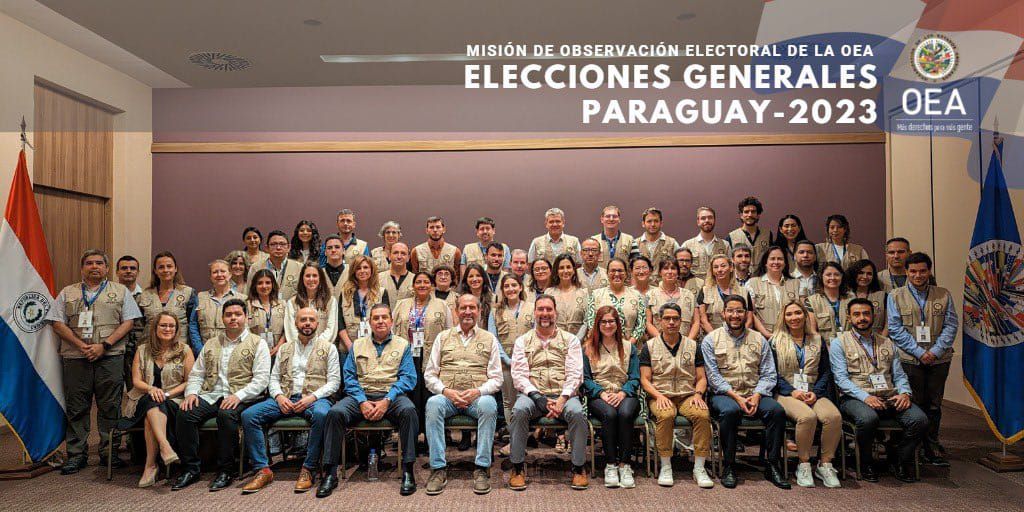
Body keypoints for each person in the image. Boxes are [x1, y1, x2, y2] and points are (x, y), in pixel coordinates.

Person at [49, 249, 141, 475]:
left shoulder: (120, 291)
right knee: (77, 406)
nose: (94, 267)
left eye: (99, 263)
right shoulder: (68, 292)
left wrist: (104, 345)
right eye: (89, 263)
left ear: (107, 268)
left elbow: (128, 322)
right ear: (82, 268)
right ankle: (76, 454)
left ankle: (109, 453)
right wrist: (81, 345)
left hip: (110, 356)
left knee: (110, 406)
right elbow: (57, 322)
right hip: (75, 357)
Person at [318, 303, 419, 498]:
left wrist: (387, 400)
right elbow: (349, 378)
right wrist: (362, 401)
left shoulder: (403, 345)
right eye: (376, 318)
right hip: (361, 395)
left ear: (391, 321)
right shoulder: (357, 345)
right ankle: (330, 473)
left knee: (409, 411)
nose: (380, 321)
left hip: (392, 395)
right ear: (369, 322)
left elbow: (408, 378)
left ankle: (408, 470)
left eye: (384, 317)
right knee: (335, 413)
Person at [172, 299, 270, 491]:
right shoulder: (211, 343)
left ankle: (226, 470)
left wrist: (239, 396)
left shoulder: (258, 343)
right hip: (212, 394)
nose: (233, 318)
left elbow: (261, 380)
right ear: (222, 318)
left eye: (238, 314)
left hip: (243, 396)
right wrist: (191, 393)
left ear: (246, 318)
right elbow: (197, 374)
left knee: (226, 415)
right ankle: (191, 469)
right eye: (228, 315)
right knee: (185, 413)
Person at [240, 307, 340, 494]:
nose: (307, 323)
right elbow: (273, 379)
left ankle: (309, 468)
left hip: (315, 398)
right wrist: (279, 397)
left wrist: (312, 397)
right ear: (295, 323)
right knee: (249, 415)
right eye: (303, 319)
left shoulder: (329, 348)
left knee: (322, 414)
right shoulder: (285, 348)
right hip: (286, 396)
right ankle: (263, 470)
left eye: (311, 320)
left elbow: (334, 382)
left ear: (318, 323)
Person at [831, 298, 928, 483]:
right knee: (868, 419)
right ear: (849, 317)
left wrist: (905, 393)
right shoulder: (839, 343)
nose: (862, 318)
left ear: (873, 316)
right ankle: (866, 462)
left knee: (919, 420)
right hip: (855, 398)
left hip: (889, 396)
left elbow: (899, 375)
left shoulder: (887, 343)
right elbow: (841, 380)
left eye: (866, 314)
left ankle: (898, 459)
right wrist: (866, 397)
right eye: (857, 314)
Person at [702, 295, 790, 489]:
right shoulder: (711, 340)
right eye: (730, 311)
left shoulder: (759, 339)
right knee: (730, 411)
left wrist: (757, 395)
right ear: (723, 313)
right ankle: (729, 465)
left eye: (739, 311)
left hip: (755, 392)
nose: (735, 315)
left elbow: (769, 374)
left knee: (776, 411)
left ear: (746, 314)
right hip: (725, 395)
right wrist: (737, 398)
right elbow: (713, 377)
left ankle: (772, 464)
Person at [423, 295, 504, 495]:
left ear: (479, 311)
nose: (468, 312)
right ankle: (438, 468)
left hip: (477, 398)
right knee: (432, 404)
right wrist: (446, 392)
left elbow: (497, 378)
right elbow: (430, 375)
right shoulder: (443, 337)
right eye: (463, 308)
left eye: (472, 308)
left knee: (489, 405)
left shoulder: (489, 339)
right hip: (448, 398)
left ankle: (482, 467)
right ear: (456, 311)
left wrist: (478, 391)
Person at [507, 295, 589, 490]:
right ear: (534, 313)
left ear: (555, 313)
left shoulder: (570, 340)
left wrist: (562, 399)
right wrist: (538, 397)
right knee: (518, 411)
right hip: (532, 395)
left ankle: (578, 467)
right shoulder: (522, 341)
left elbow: (575, 374)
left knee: (578, 413)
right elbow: (519, 375)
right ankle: (517, 467)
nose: (545, 313)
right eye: (541, 309)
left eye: (549, 309)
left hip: (564, 395)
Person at [886, 252, 958, 467]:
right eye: (913, 271)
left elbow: (951, 325)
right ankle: (910, 447)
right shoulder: (895, 295)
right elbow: (895, 329)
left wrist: (934, 352)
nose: (918, 275)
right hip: (909, 359)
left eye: (922, 271)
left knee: (934, 405)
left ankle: (931, 446)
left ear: (929, 271)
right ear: (907, 272)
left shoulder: (943, 294)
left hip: (939, 359)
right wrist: (919, 352)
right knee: (912, 403)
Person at [640, 303, 713, 489]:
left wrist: (698, 394)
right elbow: (645, 380)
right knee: (665, 415)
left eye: (675, 319)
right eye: (667, 318)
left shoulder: (693, 346)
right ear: (660, 321)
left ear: (681, 321)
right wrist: (658, 396)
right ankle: (666, 465)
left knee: (702, 415)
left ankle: (699, 467)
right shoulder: (649, 346)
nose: (671, 322)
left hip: (687, 395)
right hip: (660, 395)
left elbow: (701, 378)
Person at [769, 301, 842, 488]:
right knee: (807, 417)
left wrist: (815, 393)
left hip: (812, 391)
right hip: (785, 393)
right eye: (789, 314)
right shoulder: (775, 341)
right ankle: (803, 463)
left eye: (798, 313)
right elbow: (772, 373)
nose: (794, 318)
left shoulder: (817, 340)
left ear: (805, 316)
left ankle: (825, 464)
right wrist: (792, 391)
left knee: (833, 417)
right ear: (783, 318)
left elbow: (825, 372)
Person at [120, 312, 194, 487]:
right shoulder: (142, 350)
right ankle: (164, 446)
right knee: (151, 401)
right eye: (163, 325)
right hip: (142, 398)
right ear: (155, 328)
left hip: (173, 400)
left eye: (171, 326)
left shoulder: (185, 350)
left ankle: (151, 465)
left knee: (153, 409)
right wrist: (151, 389)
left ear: (176, 329)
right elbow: (136, 381)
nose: (167, 329)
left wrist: (166, 394)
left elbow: (189, 381)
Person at [393, 271, 454, 447]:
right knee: (410, 395)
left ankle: (430, 440)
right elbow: (393, 330)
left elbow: (449, 333)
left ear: (432, 285)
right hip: (407, 356)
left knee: (429, 396)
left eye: (426, 282)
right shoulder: (402, 304)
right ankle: (410, 439)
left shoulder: (442, 305)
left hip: (431, 357)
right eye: (418, 282)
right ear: (413, 286)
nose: (422, 285)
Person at [583, 306, 641, 489]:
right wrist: (601, 393)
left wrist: (622, 393)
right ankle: (610, 465)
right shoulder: (588, 348)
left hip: (625, 393)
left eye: (611, 321)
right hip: (600, 395)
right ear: (597, 324)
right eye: (604, 322)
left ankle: (625, 465)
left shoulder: (629, 347)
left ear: (617, 324)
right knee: (610, 414)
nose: (608, 325)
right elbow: (585, 379)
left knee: (625, 413)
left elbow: (635, 377)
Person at [490, 274, 535, 424]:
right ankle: (512, 435)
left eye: (514, 285)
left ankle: (525, 434)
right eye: (506, 286)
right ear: (502, 290)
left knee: (527, 399)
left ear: (520, 287)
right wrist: (507, 360)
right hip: (505, 364)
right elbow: (493, 338)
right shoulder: (495, 311)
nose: (511, 289)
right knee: (508, 401)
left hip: (529, 363)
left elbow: (537, 334)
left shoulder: (532, 308)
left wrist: (524, 360)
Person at [136, 251, 196, 346]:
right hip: (150, 347)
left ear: (175, 269)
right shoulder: (144, 295)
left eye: (169, 266)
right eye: (161, 267)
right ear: (155, 271)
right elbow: (139, 326)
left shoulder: (188, 293)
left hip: (179, 347)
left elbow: (193, 325)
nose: (165, 270)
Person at [189, 259, 247, 355]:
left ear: (230, 274)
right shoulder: (201, 297)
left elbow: (246, 327)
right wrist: (200, 349)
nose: (219, 275)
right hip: (205, 350)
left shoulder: (242, 299)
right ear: (210, 276)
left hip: (232, 351)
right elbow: (193, 325)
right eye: (215, 272)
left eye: (223, 271)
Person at [584, 258, 647, 344]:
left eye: (620, 271)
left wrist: (629, 345)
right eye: (613, 271)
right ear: (607, 273)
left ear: (626, 273)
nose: (617, 274)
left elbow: (641, 324)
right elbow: (591, 323)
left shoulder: (636, 295)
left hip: (632, 346)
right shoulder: (596, 295)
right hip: (603, 346)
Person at [746, 246, 802, 338]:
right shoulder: (752, 283)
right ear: (765, 262)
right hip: (762, 337)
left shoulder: (796, 283)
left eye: (780, 259)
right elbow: (751, 313)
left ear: (785, 263)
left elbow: (802, 312)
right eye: (772, 259)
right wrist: (766, 334)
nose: (776, 262)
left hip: (790, 336)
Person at [284, 262, 339, 348]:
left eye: (314, 276)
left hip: (322, 350)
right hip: (298, 349)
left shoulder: (330, 301)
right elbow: (291, 330)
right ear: (302, 278)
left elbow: (331, 329)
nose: (311, 279)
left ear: (320, 278)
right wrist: (303, 346)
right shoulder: (292, 302)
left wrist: (315, 347)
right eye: (307, 276)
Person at [337, 255, 383, 355]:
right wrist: (350, 346)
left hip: (375, 347)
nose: (362, 271)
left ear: (372, 270)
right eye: (358, 268)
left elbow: (385, 322)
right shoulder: (345, 293)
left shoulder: (382, 293)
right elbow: (340, 322)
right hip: (348, 348)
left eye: (365, 267)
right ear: (354, 271)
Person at [646, 260, 699, 341]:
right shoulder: (650, 295)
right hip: (658, 342)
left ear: (678, 272)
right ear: (660, 272)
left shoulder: (689, 295)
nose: (670, 272)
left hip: (686, 343)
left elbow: (696, 322)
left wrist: (688, 342)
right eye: (666, 268)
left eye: (673, 268)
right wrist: (662, 342)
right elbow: (648, 323)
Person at [697, 255, 750, 334]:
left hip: (739, 336)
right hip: (712, 336)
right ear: (712, 271)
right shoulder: (705, 291)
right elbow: (703, 320)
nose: (719, 270)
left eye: (723, 266)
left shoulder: (743, 291)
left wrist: (739, 336)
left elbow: (749, 319)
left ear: (731, 268)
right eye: (715, 267)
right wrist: (715, 338)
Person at [247, 230, 302, 300]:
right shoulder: (256, 267)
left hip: (291, 306)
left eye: (282, 244)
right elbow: (250, 294)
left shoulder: (299, 268)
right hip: (263, 306)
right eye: (273, 244)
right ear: (267, 248)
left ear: (289, 247)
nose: (278, 247)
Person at [805, 262, 852, 343]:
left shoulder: (851, 299)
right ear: (821, 277)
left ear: (842, 276)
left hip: (850, 344)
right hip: (825, 345)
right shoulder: (811, 301)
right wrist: (824, 347)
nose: (833, 278)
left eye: (836, 274)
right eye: (828, 275)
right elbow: (812, 331)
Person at [630, 207, 679, 283]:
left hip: (664, 287)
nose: (653, 224)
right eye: (649, 221)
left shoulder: (672, 243)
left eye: (656, 221)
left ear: (661, 223)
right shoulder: (635, 244)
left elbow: (678, 267)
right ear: (643, 224)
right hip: (641, 287)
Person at [546, 253, 589, 338]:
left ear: (574, 270)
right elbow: (546, 318)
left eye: (568, 267)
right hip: (554, 340)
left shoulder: (583, 293)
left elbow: (586, 321)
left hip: (579, 341)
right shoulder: (549, 293)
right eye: (561, 268)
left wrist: (576, 340)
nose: (565, 271)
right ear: (556, 271)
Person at [681, 206, 730, 280]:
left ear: (714, 220)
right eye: (703, 218)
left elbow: (731, 270)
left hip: (718, 286)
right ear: (698, 222)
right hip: (694, 286)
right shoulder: (687, 245)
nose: (707, 220)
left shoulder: (725, 245)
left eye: (710, 217)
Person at [728, 197, 772, 275]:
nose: (750, 214)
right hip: (740, 279)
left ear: (758, 215)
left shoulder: (767, 235)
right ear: (741, 215)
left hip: (763, 278)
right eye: (746, 212)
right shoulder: (731, 236)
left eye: (753, 212)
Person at [246, 269, 286, 354]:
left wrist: (278, 347)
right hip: (255, 352)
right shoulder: (248, 305)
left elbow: (287, 329)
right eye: (260, 283)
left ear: (273, 285)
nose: (264, 286)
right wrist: (258, 349)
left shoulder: (283, 304)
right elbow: (246, 330)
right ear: (254, 286)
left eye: (268, 283)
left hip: (279, 351)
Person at [843, 259, 887, 335]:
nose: (865, 277)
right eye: (861, 273)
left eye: (869, 274)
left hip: (876, 338)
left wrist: (882, 338)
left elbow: (888, 323)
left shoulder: (882, 296)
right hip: (850, 338)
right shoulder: (844, 296)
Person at [592, 205, 634, 269]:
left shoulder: (630, 240)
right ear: (602, 219)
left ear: (619, 219)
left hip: (622, 275)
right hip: (601, 276)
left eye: (614, 216)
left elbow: (635, 264)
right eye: (608, 216)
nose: (611, 219)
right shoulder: (593, 241)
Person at [458, 263, 494, 328]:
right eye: (471, 276)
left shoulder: (494, 298)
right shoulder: (459, 300)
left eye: (478, 275)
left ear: (483, 278)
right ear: (466, 279)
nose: (474, 279)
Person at [322, 234, 349, 300]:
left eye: (337, 247)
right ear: (325, 252)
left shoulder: (351, 272)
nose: (333, 250)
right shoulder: (319, 273)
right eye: (329, 248)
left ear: (344, 251)